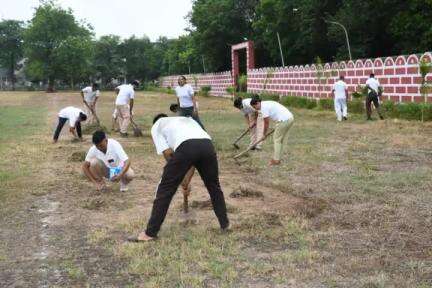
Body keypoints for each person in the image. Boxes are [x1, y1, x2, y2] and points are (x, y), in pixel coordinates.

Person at [131, 114, 229, 241]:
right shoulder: (186, 120)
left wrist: (179, 177)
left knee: (166, 188)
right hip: (207, 145)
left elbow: (168, 153)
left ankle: (149, 233)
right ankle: (225, 224)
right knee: (214, 186)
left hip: (187, 147)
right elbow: (194, 157)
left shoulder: (157, 125)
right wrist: (185, 179)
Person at [250, 99, 294, 166]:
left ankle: (276, 160)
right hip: (290, 118)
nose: (255, 109)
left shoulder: (263, 108)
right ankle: (279, 157)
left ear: (258, 103)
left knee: (277, 139)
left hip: (284, 120)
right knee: (282, 139)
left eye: (254, 107)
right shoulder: (267, 103)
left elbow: (266, 123)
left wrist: (264, 134)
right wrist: (278, 124)